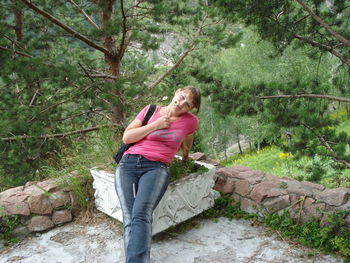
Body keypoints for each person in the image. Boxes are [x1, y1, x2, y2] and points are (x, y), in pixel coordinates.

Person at [115, 86, 201, 263]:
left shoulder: (190, 121)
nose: (182, 103)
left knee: (141, 213)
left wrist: (186, 156)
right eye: (183, 97)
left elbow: (188, 140)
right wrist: (156, 125)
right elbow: (127, 137)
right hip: (128, 164)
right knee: (130, 216)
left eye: (188, 104)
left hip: (156, 168)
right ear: (176, 92)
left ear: (190, 109)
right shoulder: (150, 110)